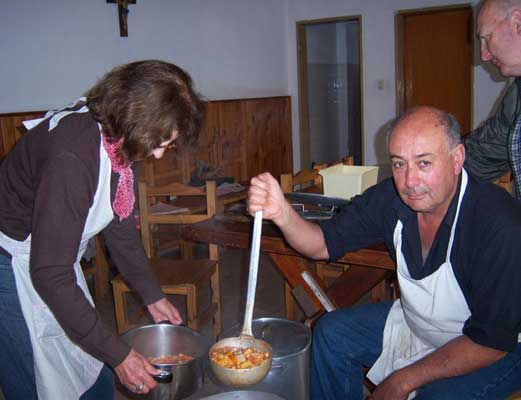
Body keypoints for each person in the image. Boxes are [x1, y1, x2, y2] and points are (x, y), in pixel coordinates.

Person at [248, 106, 521, 399]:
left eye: (424, 163)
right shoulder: (389, 199)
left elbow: (492, 340)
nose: (410, 181)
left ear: (457, 159)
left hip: (496, 348)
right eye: (399, 164)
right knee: (330, 333)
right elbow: (320, 244)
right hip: (419, 325)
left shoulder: (498, 222)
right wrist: (282, 213)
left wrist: (403, 380)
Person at [0, 60, 205, 400]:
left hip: (52, 259)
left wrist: (151, 293)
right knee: (33, 377)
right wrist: (121, 356)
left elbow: (119, 225)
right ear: (135, 119)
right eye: (160, 142)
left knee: (87, 362)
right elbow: (50, 274)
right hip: (11, 263)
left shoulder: (117, 139)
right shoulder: (73, 158)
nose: (157, 155)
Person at [464, 0, 521, 196]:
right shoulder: (518, 95)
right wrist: (436, 164)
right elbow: (485, 152)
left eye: (487, 37)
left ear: (517, 22)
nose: (484, 55)